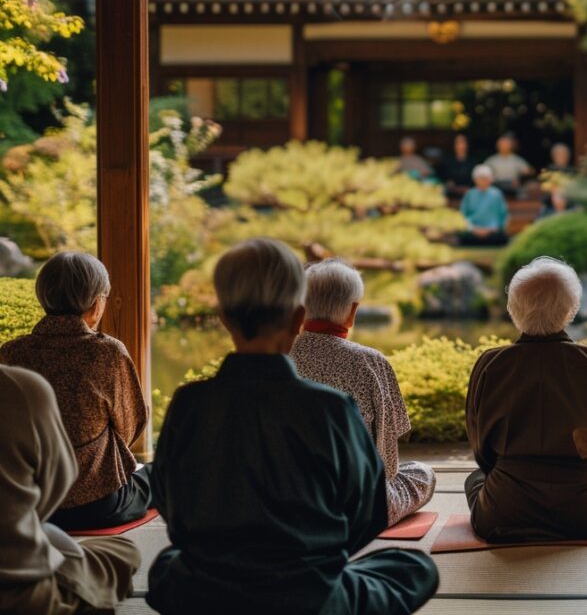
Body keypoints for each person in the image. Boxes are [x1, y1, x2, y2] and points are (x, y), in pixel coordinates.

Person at [147, 239, 439, 615]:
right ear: (299, 316)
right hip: (307, 593)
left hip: (209, 589)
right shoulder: (331, 408)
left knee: (167, 565)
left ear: (222, 316)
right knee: (416, 567)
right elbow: (367, 514)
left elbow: (171, 503)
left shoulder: (188, 403)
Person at [465, 257, 587, 542]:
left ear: (512, 308)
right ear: (571, 308)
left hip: (503, 514)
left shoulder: (490, 364)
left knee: (475, 480)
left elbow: (481, 447)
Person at [0, 252, 151, 532]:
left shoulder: (10, 352)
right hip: (97, 504)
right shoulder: (107, 353)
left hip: (27, 502)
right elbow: (132, 426)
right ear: (96, 303)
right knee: (157, 474)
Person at [291, 259, 436, 526]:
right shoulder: (371, 362)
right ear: (352, 311)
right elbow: (389, 465)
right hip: (357, 509)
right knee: (423, 474)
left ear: (300, 307)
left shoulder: (281, 357)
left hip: (292, 504)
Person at [0, 364, 141, 615]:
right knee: (123, 551)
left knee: (51, 532)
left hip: (42, 534)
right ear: (91, 320)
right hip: (18, 592)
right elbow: (57, 484)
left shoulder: (13, 351)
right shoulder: (20, 387)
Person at [459, 164, 510, 246]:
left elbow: (504, 215)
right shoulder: (469, 194)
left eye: (485, 178)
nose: (483, 180)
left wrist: (493, 229)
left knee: (502, 238)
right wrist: (472, 228)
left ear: (490, 179)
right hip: (473, 232)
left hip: (493, 232)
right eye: (480, 178)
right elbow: (463, 215)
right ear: (475, 179)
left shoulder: (497, 194)